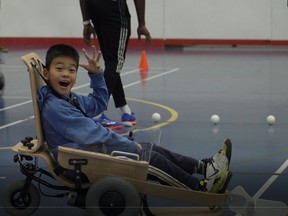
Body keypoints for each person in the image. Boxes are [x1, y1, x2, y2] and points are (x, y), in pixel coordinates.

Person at [38, 44, 232, 193]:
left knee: (150, 147)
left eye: (71, 70)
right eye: (59, 68)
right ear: (46, 73)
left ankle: (204, 168)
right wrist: (125, 144)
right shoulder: (55, 107)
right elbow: (93, 133)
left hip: (86, 153)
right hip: (78, 160)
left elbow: (98, 105)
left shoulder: (66, 99)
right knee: (148, 158)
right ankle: (199, 187)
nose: (66, 73)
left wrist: (96, 75)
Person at [79, 0, 152, 129]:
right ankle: (96, 114)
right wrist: (142, 24)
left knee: (111, 62)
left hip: (93, 7)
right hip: (114, 9)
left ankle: (124, 109)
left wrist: (86, 22)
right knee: (115, 63)